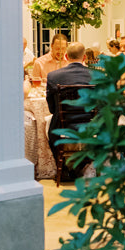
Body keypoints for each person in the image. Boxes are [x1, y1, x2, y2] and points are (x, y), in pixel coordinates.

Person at [45, 42, 95, 175]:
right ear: (84, 58)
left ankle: (64, 170)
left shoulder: (53, 76)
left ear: (66, 56)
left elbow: (52, 108)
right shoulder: (96, 76)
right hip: (91, 124)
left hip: (64, 124)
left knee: (50, 127)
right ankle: (86, 165)